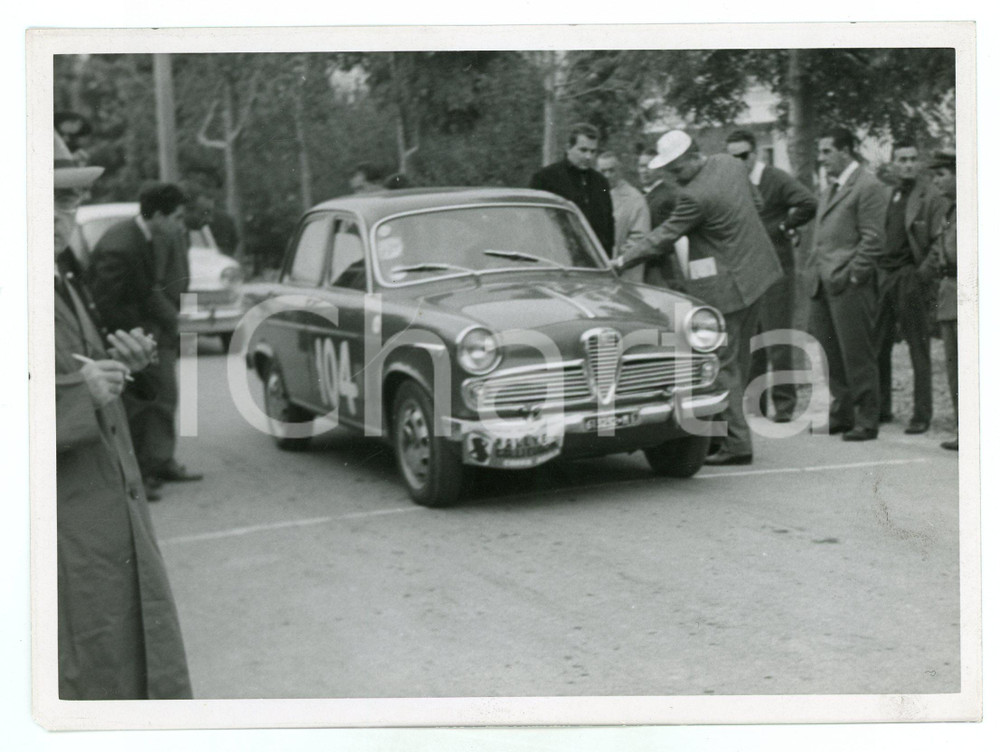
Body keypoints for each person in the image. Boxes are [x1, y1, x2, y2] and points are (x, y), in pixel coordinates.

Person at [53, 132, 192, 700]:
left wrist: (115, 363)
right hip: (63, 537)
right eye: (56, 199)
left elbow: (68, 366)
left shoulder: (53, 276)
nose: (70, 211)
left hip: (97, 519)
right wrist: (78, 392)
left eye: (69, 198)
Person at [613, 130, 783, 466]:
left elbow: (663, 237)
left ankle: (737, 443)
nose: (675, 179)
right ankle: (732, 430)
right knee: (739, 360)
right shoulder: (731, 165)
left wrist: (620, 261)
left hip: (728, 287)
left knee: (722, 363)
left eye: (676, 170)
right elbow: (758, 203)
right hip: (760, 273)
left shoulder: (694, 197)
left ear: (692, 157)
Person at [88, 182, 204, 499]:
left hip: (146, 333)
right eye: (176, 217)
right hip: (131, 338)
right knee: (141, 405)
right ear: (156, 215)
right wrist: (136, 341)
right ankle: (139, 473)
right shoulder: (122, 246)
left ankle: (156, 463)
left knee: (160, 397)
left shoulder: (145, 236)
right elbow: (107, 303)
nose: (181, 225)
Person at [725, 129, 818, 423]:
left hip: (777, 270)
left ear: (755, 153)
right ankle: (756, 404)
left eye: (743, 156)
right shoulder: (734, 184)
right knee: (753, 339)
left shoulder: (774, 179)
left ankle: (785, 404)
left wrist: (782, 227)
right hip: (749, 272)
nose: (738, 162)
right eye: (732, 157)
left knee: (778, 337)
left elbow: (807, 202)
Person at [805, 127, 890, 441]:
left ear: (845, 151)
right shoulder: (830, 188)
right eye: (821, 151)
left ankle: (867, 419)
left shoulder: (867, 186)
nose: (822, 158)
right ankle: (842, 413)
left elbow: (873, 239)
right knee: (831, 354)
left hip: (849, 283)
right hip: (823, 282)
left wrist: (855, 274)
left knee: (857, 353)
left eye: (827, 151)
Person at [873, 141, 946, 434]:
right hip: (884, 276)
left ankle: (921, 414)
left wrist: (920, 276)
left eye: (913, 159)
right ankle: (882, 408)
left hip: (910, 277)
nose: (908, 164)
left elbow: (939, 241)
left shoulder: (931, 196)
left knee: (918, 347)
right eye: (902, 159)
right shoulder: (887, 194)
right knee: (879, 345)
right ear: (892, 163)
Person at [529, 123, 615, 254]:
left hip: (594, 261)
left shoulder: (600, 182)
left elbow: (608, 226)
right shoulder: (545, 178)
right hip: (558, 258)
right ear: (568, 148)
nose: (588, 156)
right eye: (583, 150)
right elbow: (534, 223)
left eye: (593, 151)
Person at [929, 150, 958, 451]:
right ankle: (965, 429)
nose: (936, 181)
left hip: (968, 292)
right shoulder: (949, 211)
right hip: (950, 293)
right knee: (954, 367)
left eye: (941, 174)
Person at [596, 151, 650, 281]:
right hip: (597, 272)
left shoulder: (634, 199)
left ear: (620, 170)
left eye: (611, 170)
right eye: (603, 171)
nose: (607, 175)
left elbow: (640, 238)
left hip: (623, 274)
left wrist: (619, 260)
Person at [637, 147, 684, 289]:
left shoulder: (668, 196)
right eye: (641, 166)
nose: (643, 171)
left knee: (677, 306)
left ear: (660, 168)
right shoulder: (639, 196)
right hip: (643, 268)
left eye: (648, 166)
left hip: (663, 269)